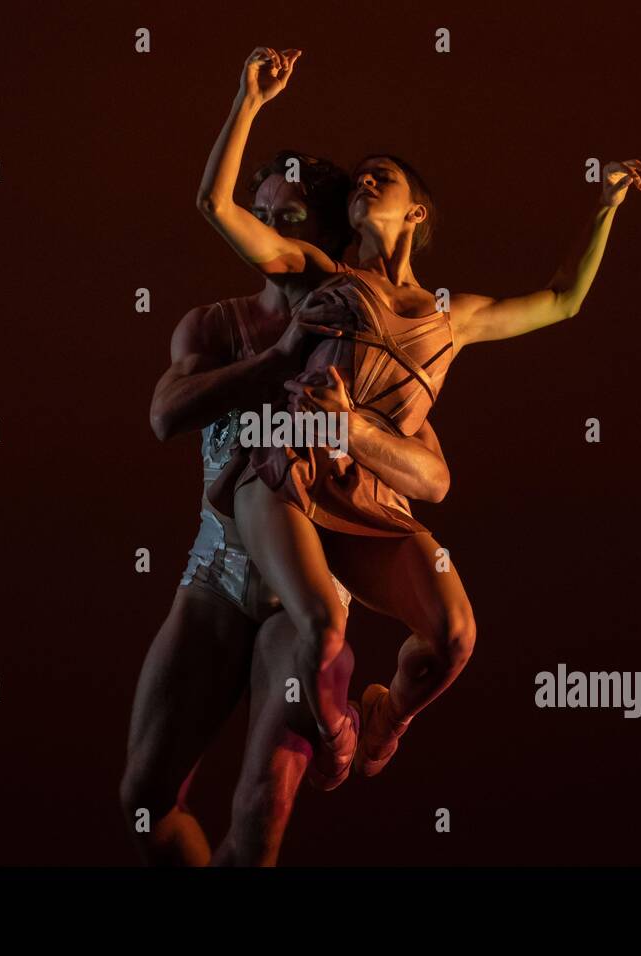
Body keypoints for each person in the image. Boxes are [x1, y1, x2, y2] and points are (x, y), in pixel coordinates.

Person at [196, 47, 641, 787]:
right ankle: (334, 731)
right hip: (291, 472)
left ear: (415, 211)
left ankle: (387, 722)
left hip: (370, 493)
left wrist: (603, 208)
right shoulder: (324, 272)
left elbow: (562, 299)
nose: (366, 177)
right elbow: (217, 210)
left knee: (453, 635)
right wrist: (248, 102)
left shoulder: (451, 316)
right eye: (362, 173)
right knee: (322, 627)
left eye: (386, 174)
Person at [121, 151, 452, 866]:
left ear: (324, 240)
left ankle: (349, 732)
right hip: (216, 577)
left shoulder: (362, 348)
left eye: (288, 220)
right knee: (144, 799)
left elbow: (429, 470)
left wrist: (360, 432)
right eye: (261, 215)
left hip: (306, 590)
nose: (266, 232)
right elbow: (163, 415)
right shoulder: (219, 326)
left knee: (261, 811)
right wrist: (277, 361)